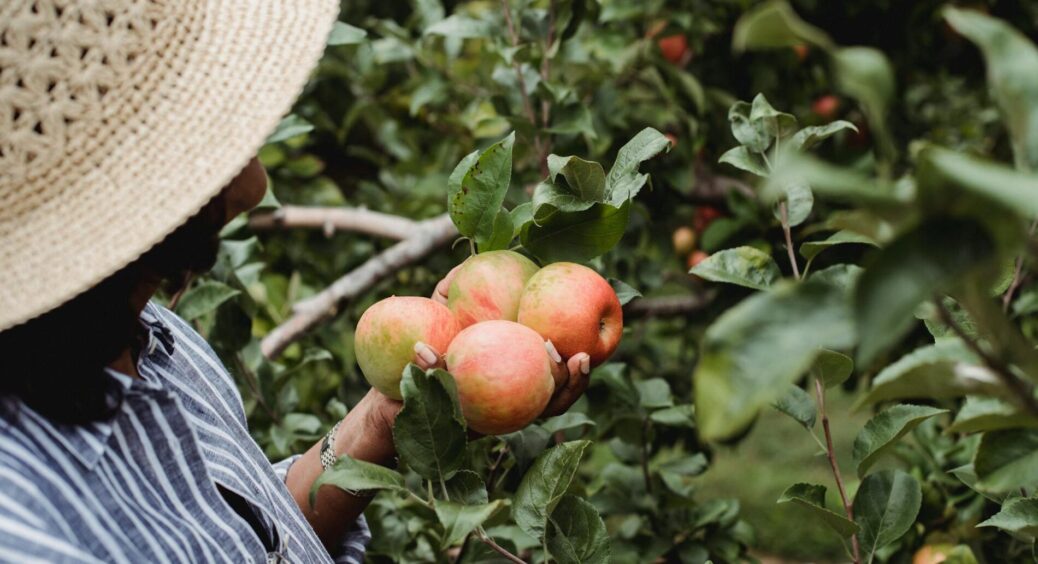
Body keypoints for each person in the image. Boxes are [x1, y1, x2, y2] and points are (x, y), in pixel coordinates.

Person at [0, 2, 591, 562]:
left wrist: (398, 411)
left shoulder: (138, 325)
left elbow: (257, 542)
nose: (252, 175)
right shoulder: (29, 532)